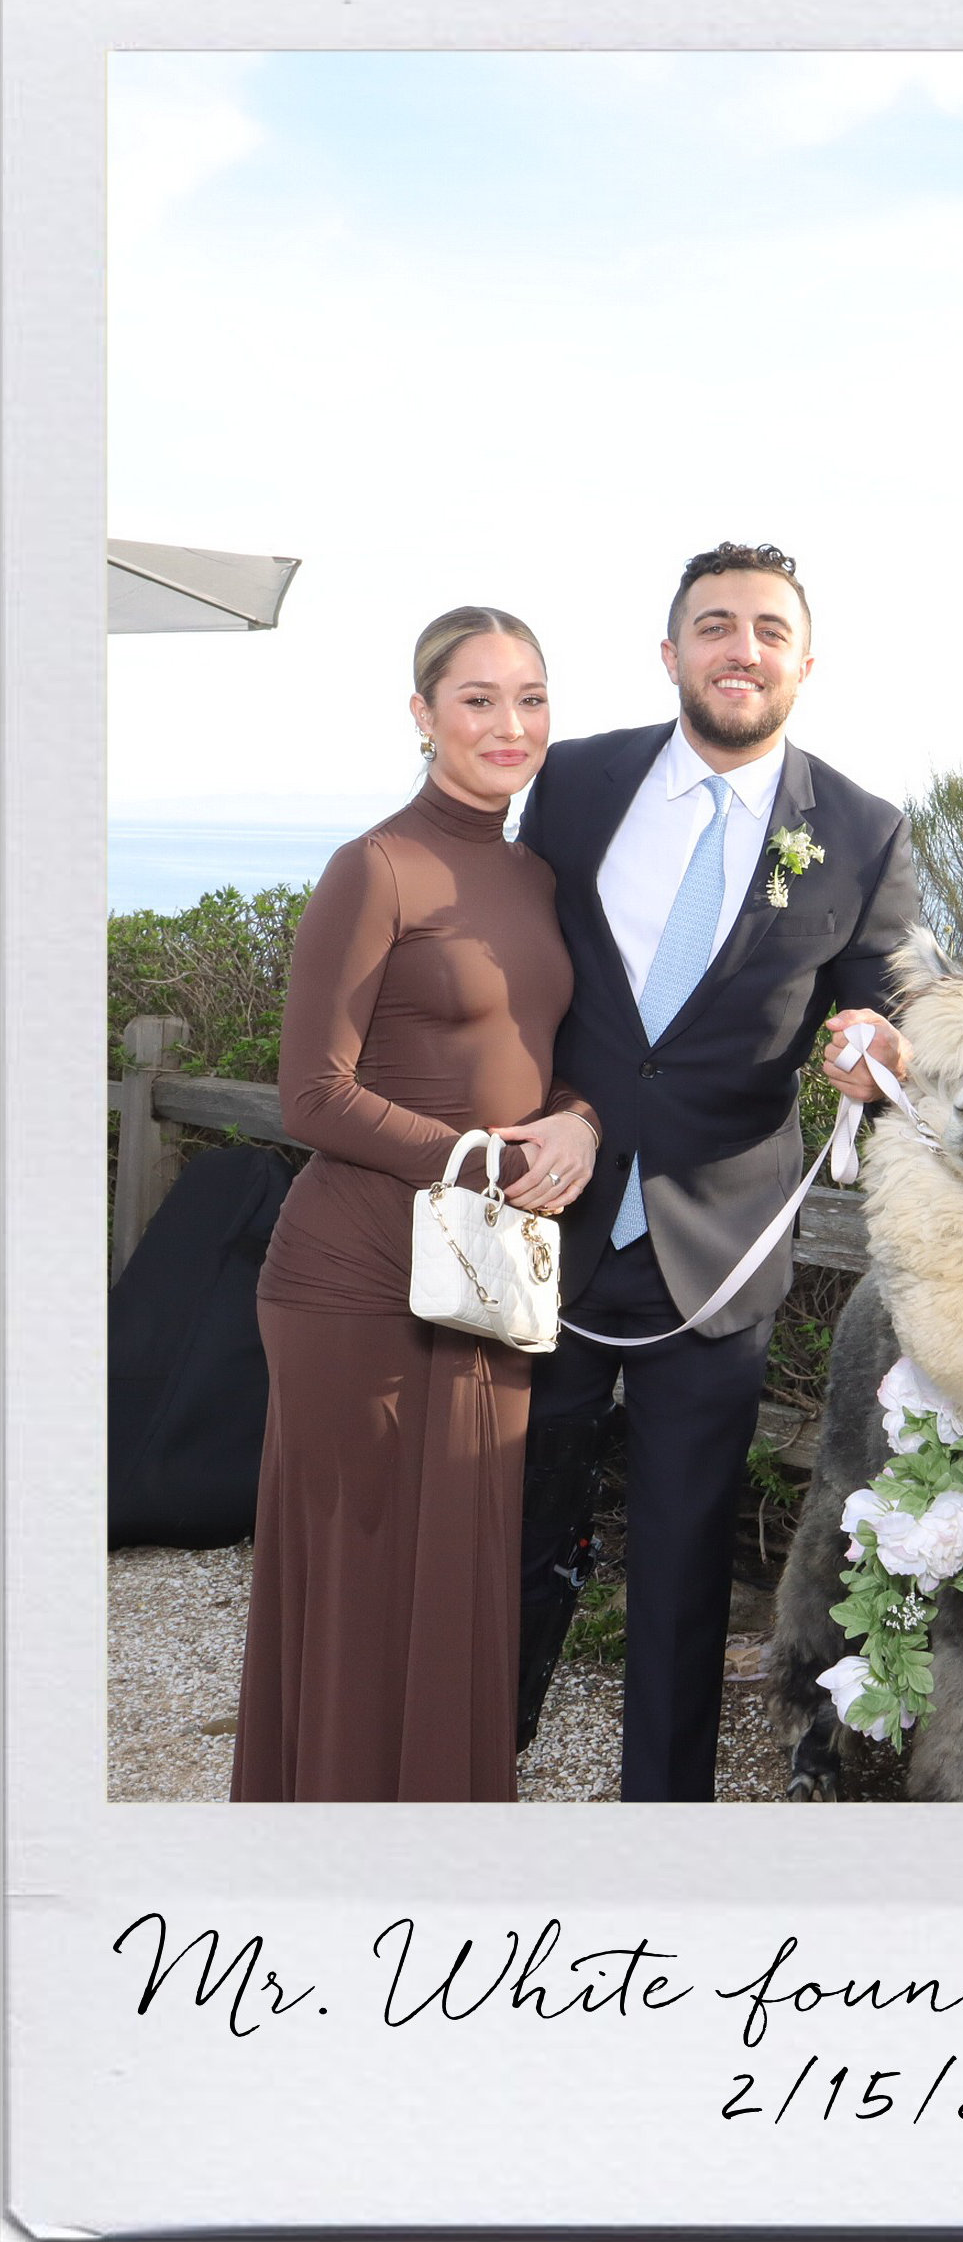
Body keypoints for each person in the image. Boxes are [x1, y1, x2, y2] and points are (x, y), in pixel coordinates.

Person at [519, 540, 919, 1801]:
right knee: (505, 1532)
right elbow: (515, 961)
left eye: (768, 630)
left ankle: (665, 1827)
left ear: (805, 662)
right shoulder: (574, 782)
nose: (741, 649)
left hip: (720, 1258)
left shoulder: (862, 830)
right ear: (671, 652)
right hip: (543, 1227)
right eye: (715, 626)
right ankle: (474, 1774)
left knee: (685, 1567)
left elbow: (883, 995)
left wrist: (874, 1040)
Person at [232, 607, 601, 1801]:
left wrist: (579, 1121)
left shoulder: (536, 876)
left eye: (530, 698)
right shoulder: (376, 866)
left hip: (486, 1280)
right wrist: (478, 1161)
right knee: (361, 1592)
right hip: (355, 1283)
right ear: (422, 715)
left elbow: (547, 1057)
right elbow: (312, 1093)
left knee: (463, 1585)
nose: (509, 724)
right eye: (478, 699)